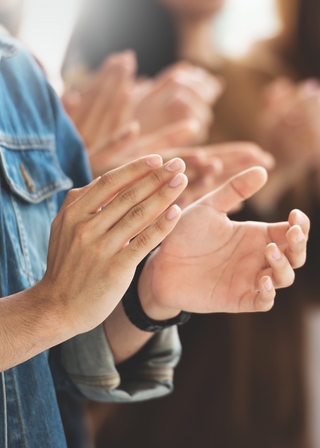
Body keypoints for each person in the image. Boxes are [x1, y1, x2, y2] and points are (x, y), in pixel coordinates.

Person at [0, 16, 310, 448]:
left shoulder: (20, 76)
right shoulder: (92, 45)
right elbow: (52, 309)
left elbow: (57, 362)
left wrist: (148, 296)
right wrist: (50, 307)